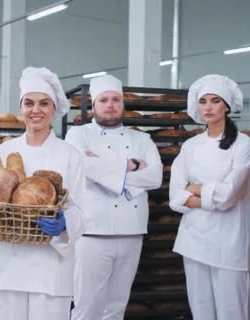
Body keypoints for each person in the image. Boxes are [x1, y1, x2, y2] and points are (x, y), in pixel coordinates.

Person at [0, 67, 86, 320]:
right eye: (29, 103)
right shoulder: (3, 151)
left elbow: (81, 210)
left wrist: (64, 225)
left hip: (52, 270)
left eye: (44, 103)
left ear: (54, 109)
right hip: (10, 266)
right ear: (21, 108)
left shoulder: (70, 155)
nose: (36, 110)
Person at [65, 75, 163, 320]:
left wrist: (103, 170)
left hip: (132, 232)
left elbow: (155, 177)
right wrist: (131, 165)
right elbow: (83, 168)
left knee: (117, 307)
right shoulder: (78, 135)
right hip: (91, 232)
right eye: (104, 100)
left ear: (123, 104)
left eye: (116, 99)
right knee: (86, 306)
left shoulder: (142, 139)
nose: (110, 104)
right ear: (94, 105)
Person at [169, 74, 250, 320]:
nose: (208, 106)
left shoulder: (244, 145)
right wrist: (208, 196)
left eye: (215, 100)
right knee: (201, 310)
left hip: (230, 240)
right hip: (193, 239)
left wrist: (195, 189)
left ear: (227, 106)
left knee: (232, 311)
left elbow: (229, 196)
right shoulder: (190, 146)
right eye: (203, 101)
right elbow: (175, 196)